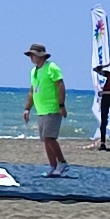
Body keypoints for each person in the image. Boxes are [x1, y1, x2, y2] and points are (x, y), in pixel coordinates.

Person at [22, 43, 69, 177]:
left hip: (52, 108)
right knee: (45, 140)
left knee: (49, 137)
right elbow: (32, 91)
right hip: (41, 110)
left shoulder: (51, 67)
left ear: (40, 56)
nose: (31, 58)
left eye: (33, 55)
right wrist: (27, 108)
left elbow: (60, 85)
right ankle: (53, 166)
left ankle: (62, 162)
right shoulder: (34, 71)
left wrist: (61, 105)